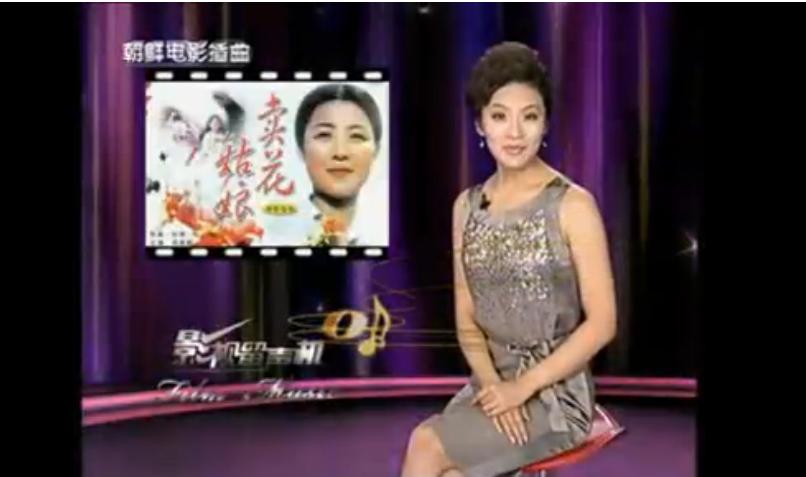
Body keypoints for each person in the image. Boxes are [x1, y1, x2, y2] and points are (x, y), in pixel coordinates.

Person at [400, 42, 617, 477]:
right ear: (480, 124)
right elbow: (466, 317)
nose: (514, 132)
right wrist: (496, 385)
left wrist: (522, 389)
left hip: (554, 395)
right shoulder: (467, 207)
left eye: (529, 116)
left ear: (545, 124)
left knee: (426, 442)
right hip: (492, 381)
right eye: (500, 116)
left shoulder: (573, 205)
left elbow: (603, 324)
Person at [293, 83, 386, 246]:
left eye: (356, 136)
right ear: (301, 149)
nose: (340, 153)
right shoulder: (268, 236)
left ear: (376, 150)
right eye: (324, 135)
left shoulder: (388, 234)